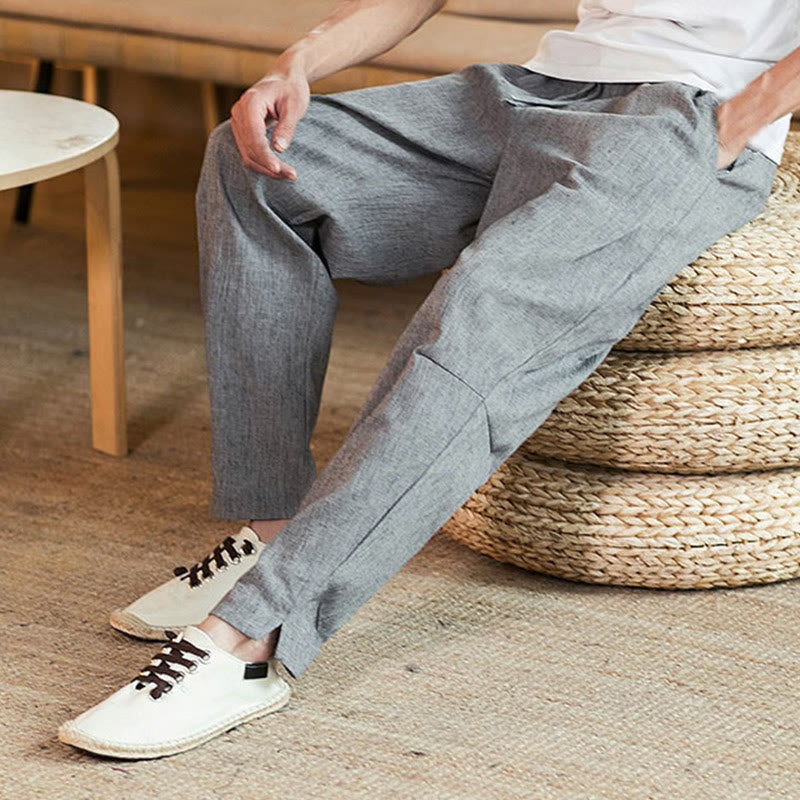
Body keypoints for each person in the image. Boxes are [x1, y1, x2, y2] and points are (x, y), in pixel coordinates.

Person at [59, 0, 800, 759]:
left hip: (689, 117)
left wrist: (742, 122)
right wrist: (298, 65)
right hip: (543, 86)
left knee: (484, 307)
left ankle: (256, 633)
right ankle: (274, 532)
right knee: (257, 166)